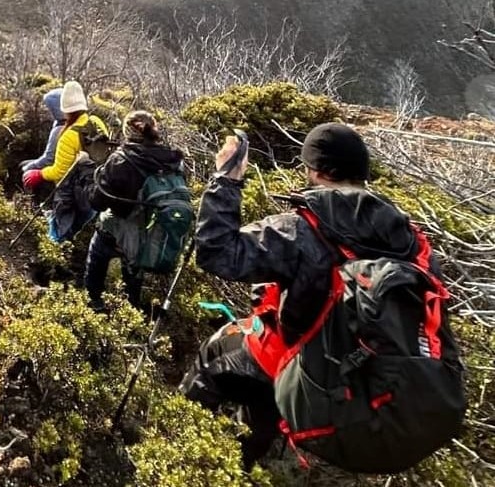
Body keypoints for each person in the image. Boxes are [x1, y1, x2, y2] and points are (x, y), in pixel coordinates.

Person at [180, 123, 429, 470]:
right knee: (263, 390)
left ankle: (177, 440)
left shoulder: (301, 230)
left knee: (216, 353)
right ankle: (245, 458)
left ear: (315, 169)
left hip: (298, 365)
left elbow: (216, 252)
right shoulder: (410, 238)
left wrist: (227, 178)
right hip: (359, 381)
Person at [81, 110, 186, 312]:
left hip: (116, 230)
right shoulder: (173, 161)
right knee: (132, 274)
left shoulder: (120, 160)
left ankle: (93, 305)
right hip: (150, 233)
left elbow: (96, 201)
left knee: (98, 253)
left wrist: (87, 166)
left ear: (127, 132)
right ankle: (132, 314)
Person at [21, 81, 107, 193]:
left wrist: (38, 174)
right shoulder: (96, 121)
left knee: (25, 169)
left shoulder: (67, 134)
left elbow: (59, 171)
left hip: (73, 191)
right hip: (98, 183)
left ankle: (33, 204)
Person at [20, 87, 64, 175]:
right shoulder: (74, 121)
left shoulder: (59, 129)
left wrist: (27, 168)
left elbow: (48, 160)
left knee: (23, 167)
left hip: (57, 170)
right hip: (63, 166)